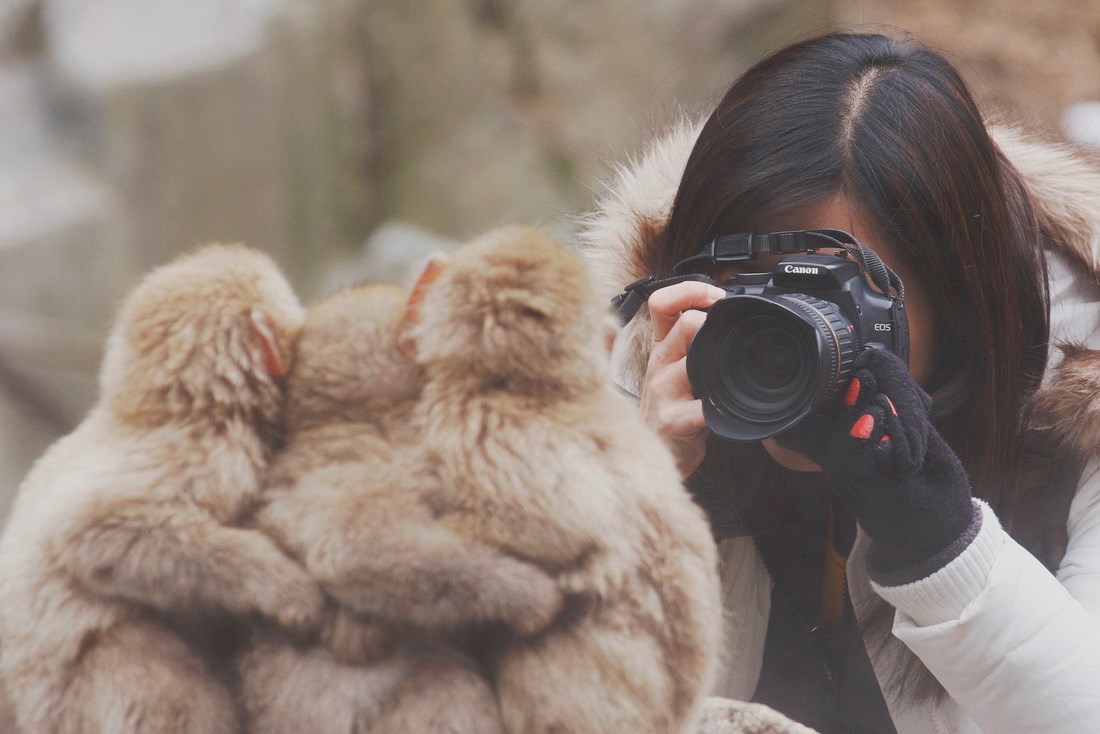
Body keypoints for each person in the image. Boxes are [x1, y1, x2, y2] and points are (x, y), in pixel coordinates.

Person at [581, 31, 1100, 734]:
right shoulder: (651, 357)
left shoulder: (1081, 400)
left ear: (960, 304)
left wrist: (938, 539)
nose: (788, 336)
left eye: (843, 294)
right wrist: (640, 504)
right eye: (760, 292)